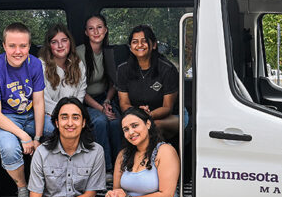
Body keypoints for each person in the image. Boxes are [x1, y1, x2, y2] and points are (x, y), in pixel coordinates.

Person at [0, 22, 45, 197]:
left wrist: (38, 138)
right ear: (3, 46)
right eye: (12, 46)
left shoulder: (34, 64)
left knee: (63, 129)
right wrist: (24, 137)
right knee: (10, 149)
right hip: (6, 119)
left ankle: (58, 183)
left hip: (31, 115)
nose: (18, 51)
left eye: (23, 46)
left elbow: (39, 103)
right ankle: (22, 188)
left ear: (29, 46)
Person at [116, 25, 184, 139]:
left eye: (144, 41)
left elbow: (167, 108)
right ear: (130, 47)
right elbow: (124, 104)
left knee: (152, 126)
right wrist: (138, 115)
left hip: (171, 116)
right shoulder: (123, 69)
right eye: (135, 42)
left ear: (154, 45)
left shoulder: (167, 69)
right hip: (137, 116)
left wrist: (148, 115)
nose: (139, 45)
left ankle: (156, 157)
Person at [76, 14, 121, 182]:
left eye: (99, 27)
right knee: (101, 122)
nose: (96, 31)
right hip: (84, 99)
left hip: (105, 97)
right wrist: (101, 108)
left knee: (116, 122)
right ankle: (106, 169)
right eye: (91, 28)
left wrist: (107, 102)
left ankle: (120, 166)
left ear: (106, 30)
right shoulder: (79, 52)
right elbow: (79, 89)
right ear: (86, 32)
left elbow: (113, 83)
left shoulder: (109, 52)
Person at [39, 24, 87, 135]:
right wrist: (63, 116)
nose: (60, 45)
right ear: (49, 46)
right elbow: (43, 99)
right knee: (62, 130)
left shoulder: (78, 64)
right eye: (54, 42)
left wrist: (73, 115)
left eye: (64, 40)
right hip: (49, 115)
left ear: (70, 42)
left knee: (94, 124)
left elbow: (81, 92)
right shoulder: (41, 65)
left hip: (74, 113)